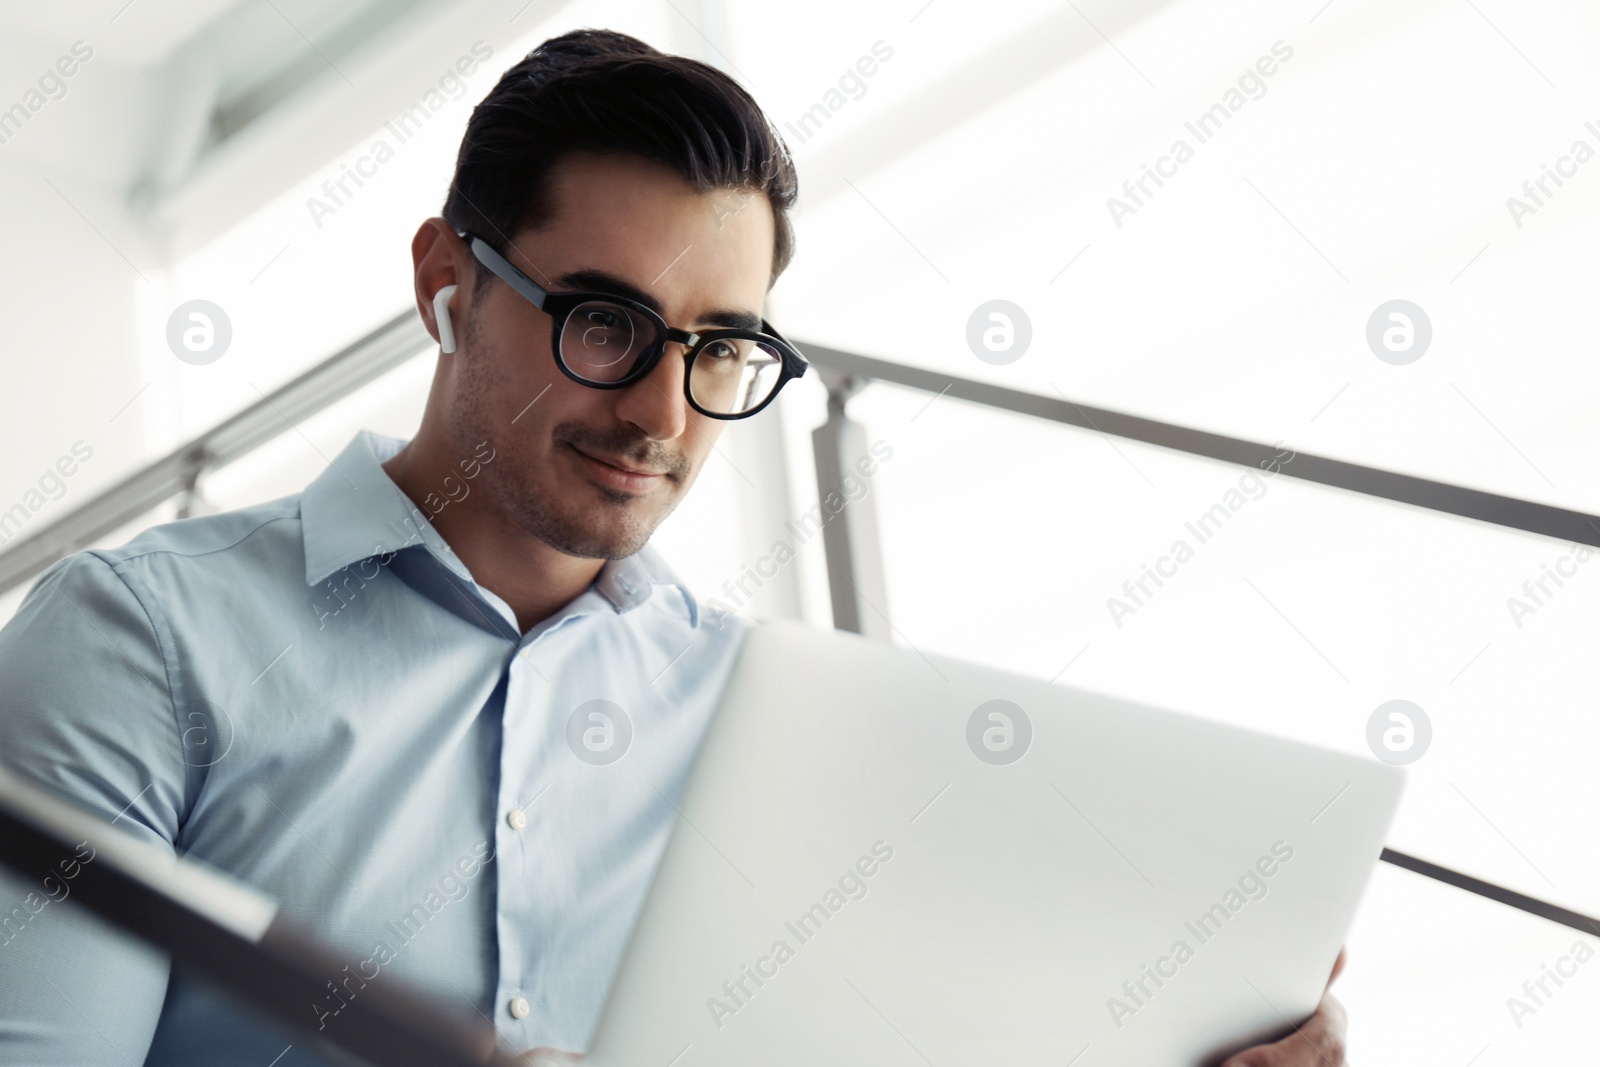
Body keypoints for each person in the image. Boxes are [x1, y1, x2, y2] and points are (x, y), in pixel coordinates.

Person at [0, 27, 1349, 1066]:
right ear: (445, 283)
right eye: (605, 322)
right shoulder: (141, 644)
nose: (658, 410)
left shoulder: (781, 728)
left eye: (720, 347)